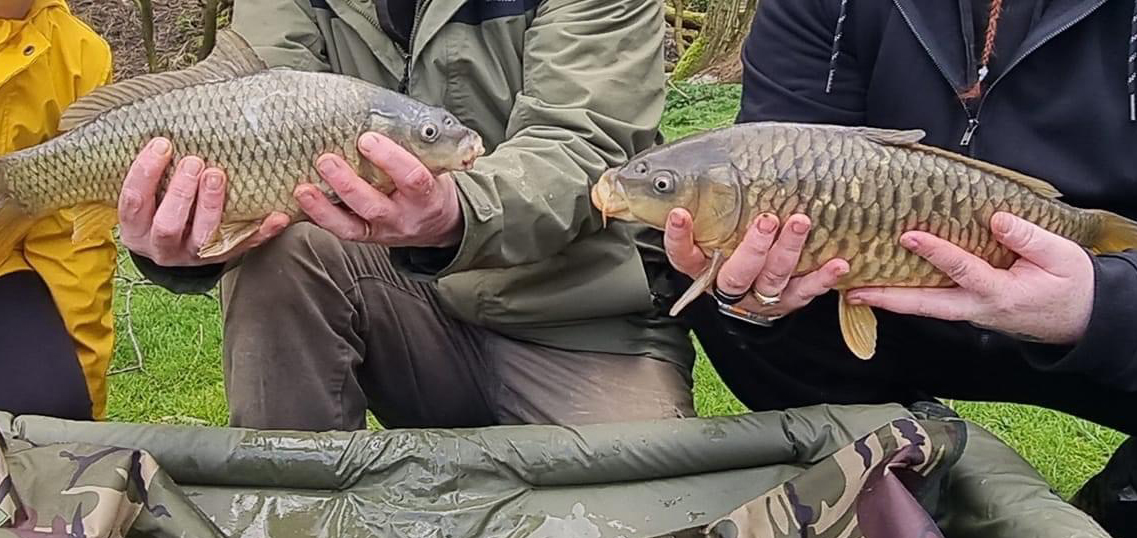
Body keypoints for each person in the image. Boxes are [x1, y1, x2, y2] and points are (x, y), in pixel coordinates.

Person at [662, 0, 1137, 533]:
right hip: (882, 311)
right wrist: (753, 294)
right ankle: (885, 473)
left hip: (1100, 303)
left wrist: (1100, 306)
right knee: (708, 274)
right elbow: (782, 154)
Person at [117, 0, 696, 431]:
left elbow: (583, 147)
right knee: (282, 249)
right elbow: (240, 114)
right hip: (400, 305)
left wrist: (456, 211)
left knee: (647, 511)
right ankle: (294, 501)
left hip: (581, 323)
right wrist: (186, 236)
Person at [0, 0, 116, 421]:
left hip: (4, 262)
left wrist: (82, 405)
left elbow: (69, 239)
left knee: (53, 411)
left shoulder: (81, 54)